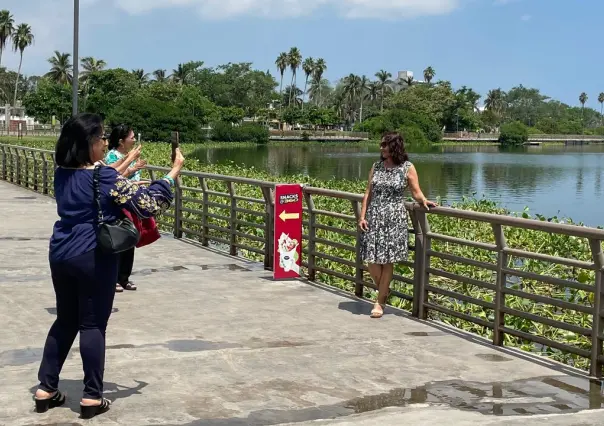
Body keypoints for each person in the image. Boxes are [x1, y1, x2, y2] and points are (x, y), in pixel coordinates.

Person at [33, 113, 185, 419]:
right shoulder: (103, 178)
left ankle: (45, 389)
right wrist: (173, 173)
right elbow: (147, 204)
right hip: (92, 254)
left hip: (61, 251)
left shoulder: (62, 173)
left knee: (65, 320)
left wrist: (123, 171)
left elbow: (100, 180)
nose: (105, 142)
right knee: (92, 324)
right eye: (101, 138)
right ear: (89, 142)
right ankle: (92, 396)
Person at [358, 132, 436, 319]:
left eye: (385, 145)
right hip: (374, 216)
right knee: (371, 259)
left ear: (394, 147)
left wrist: (424, 201)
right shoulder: (376, 166)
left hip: (394, 218)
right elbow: (368, 192)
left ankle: (380, 301)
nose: (381, 148)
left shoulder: (407, 167)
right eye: (381, 145)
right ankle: (384, 291)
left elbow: (416, 191)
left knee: (387, 260)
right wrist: (362, 216)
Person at [104, 125, 146, 292]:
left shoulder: (130, 157)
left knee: (130, 238)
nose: (134, 139)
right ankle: (113, 278)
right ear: (121, 141)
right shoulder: (112, 156)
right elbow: (113, 178)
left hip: (132, 201)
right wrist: (132, 168)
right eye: (131, 137)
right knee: (117, 239)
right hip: (118, 203)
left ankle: (124, 277)